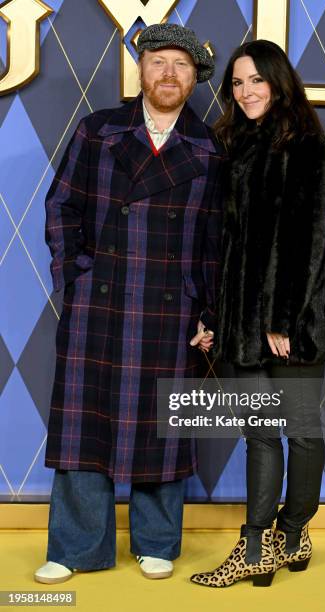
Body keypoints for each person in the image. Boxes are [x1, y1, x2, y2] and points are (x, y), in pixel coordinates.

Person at [34, 23, 224, 584]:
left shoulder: (211, 148)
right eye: (159, 62)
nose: (169, 73)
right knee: (82, 426)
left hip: (172, 308)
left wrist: (208, 310)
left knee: (161, 423)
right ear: (140, 71)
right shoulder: (98, 131)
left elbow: (220, 241)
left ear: (195, 79)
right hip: (102, 301)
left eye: (181, 66)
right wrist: (77, 276)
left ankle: (157, 541)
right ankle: (74, 548)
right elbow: (60, 206)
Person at [190, 39, 325, 588]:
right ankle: (258, 545)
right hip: (239, 321)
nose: (245, 91)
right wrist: (213, 315)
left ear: (278, 81)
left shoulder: (303, 145)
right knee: (259, 433)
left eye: (255, 80)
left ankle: (293, 528)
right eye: (236, 82)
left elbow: (307, 238)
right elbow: (222, 242)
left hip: (291, 321)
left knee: (299, 430)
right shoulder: (233, 144)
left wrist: (281, 318)